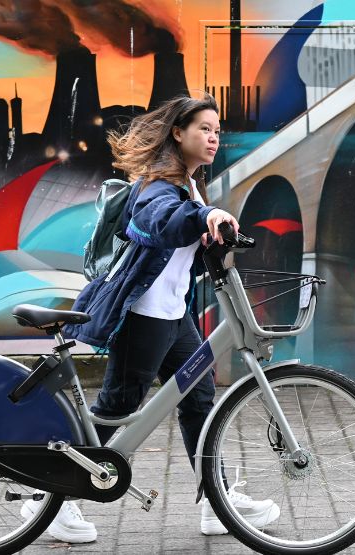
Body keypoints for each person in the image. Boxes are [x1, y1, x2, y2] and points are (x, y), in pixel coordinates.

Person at [47, 94, 279, 543]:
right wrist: (205, 214)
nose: (213, 137)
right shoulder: (158, 184)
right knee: (116, 409)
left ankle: (218, 501)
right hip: (144, 316)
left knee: (199, 402)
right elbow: (164, 221)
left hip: (174, 315)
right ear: (178, 133)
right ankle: (50, 500)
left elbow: (189, 240)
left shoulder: (192, 186)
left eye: (216, 131)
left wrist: (217, 232)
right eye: (203, 129)